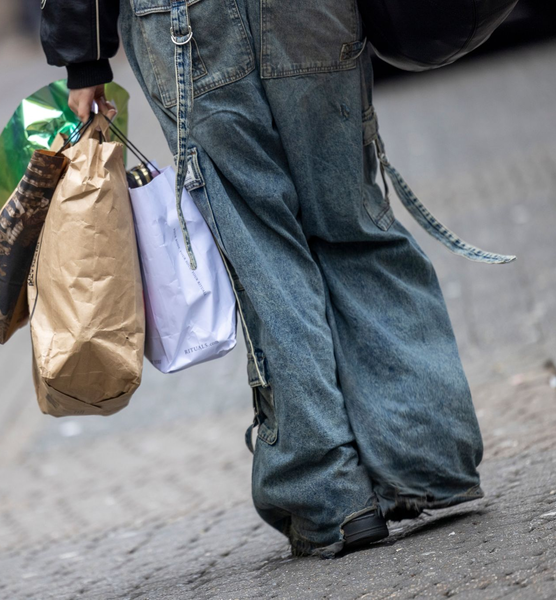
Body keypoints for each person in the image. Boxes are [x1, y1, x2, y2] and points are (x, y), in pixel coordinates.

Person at [40, 0, 511, 557]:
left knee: (263, 252)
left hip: (187, 22)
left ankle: (329, 494)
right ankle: (428, 455)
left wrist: (84, 58)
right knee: (352, 222)